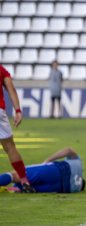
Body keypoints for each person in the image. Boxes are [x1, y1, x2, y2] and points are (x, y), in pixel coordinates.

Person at [0, 64, 35, 193]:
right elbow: (11, 89)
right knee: (10, 147)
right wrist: (18, 110)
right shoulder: (1, 70)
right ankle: (24, 181)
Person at [0, 147, 85, 193]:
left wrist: (48, 160)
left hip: (58, 171)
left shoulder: (78, 163)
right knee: (23, 186)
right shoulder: (77, 187)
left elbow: (69, 150)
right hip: (62, 188)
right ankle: (13, 188)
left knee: (16, 175)